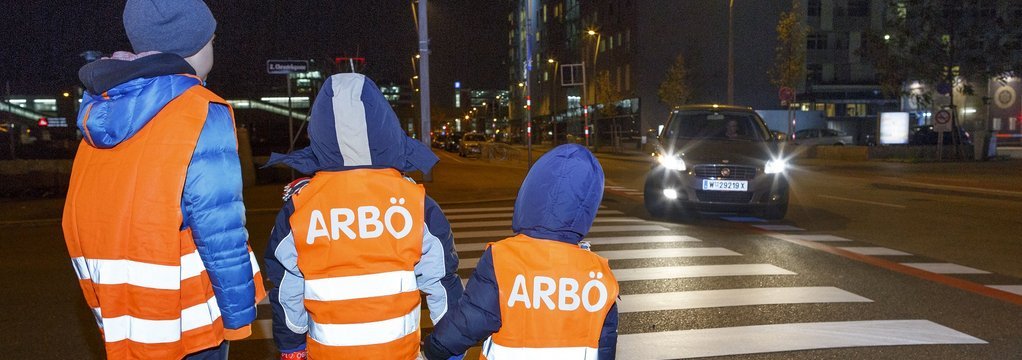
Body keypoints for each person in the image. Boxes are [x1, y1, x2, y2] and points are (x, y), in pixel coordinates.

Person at [62, 1, 264, 359]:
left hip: (129, 319)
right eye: (213, 40)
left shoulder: (102, 110)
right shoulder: (200, 110)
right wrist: (239, 316)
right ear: (196, 45)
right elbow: (220, 228)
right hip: (191, 325)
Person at [263, 73, 464, 360]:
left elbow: (287, 286)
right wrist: (450, 349)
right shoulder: (415, 204)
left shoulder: (301, 207)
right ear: (386, 127)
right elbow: (442, 280)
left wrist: (291, 346)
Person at [422, 144, 620, 360]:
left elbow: (470, 320)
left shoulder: (503, 259)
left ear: (530, 193)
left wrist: (435, 347)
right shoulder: (599, 277)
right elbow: (605, 348)